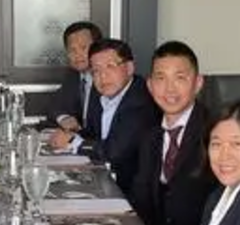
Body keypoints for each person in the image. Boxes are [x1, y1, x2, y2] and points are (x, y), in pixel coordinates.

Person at [130, 41, 219, 225]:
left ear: (198, 83)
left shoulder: (217, 133)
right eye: (161, 78)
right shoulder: (150, 135)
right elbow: (141, 199)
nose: (169, 89)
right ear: (150, 85)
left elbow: (234, 207)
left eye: (180, 78)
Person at [48, 38, 159, 194]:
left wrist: (73, 142)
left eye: (110, 67)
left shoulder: (139, 100)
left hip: (131, 194)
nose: (103, 76)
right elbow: (93, 134)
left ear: (129, 68)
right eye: (96, 71)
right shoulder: (104, 95)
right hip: (104, 181)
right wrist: (71, 134)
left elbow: (114, 151)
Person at [45, 21, 102, 130]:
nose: (77, 55)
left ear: (98, 48)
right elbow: (53, 105)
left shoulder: (108, 77)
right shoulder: (73, 75)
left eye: (83, 47)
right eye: (72, 50)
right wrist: (64, 118)